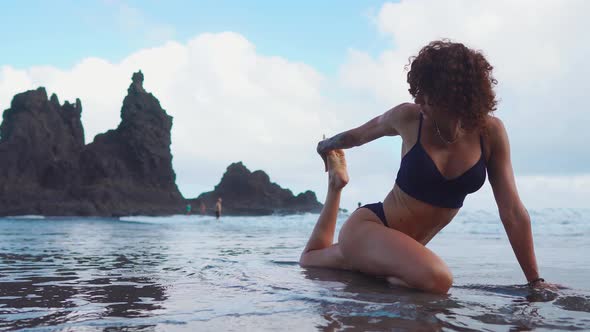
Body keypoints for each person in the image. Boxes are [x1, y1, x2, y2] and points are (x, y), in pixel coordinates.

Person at [300, 40, 549, 294]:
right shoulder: (408, 117)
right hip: (369, 228)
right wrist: (326, 145)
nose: (418, 99)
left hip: (395, 250)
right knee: (438, 278)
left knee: (311, 260)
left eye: (427, 92)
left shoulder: (490, 133)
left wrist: (535, 281)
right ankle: (366, 257)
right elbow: (358, 136)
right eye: (417, 90)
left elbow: (512, 211)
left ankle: (337, 186)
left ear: (454, 96)